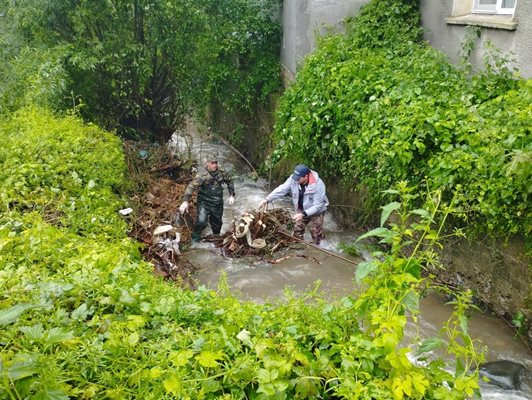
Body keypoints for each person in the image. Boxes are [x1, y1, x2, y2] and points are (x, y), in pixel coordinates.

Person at [259, 164, 328, 245]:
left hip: (317, 211)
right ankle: (299, 248)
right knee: (297, 230)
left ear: (306, 176)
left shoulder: (318, 185)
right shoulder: (294, 179)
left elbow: (317, 206)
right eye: (295, 177)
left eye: (298, 178)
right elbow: (282, 189)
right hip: (301, 209)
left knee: (316, 234)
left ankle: (323, 248)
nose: (295, 180)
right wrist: (267, 199)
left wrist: (303, 214)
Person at [179, 153, 235, 242]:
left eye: (216, 163)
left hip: (217, 203)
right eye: (212, 163)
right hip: (204, 202)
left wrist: (231, 194)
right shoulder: (202, 175)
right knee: (201, 221)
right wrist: (185, 201)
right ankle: (195, 239)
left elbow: (229, 181)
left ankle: (216, 241)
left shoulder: (221, 171)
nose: (214, 165)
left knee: (217, 224)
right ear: (208, 163)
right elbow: (191, 186)